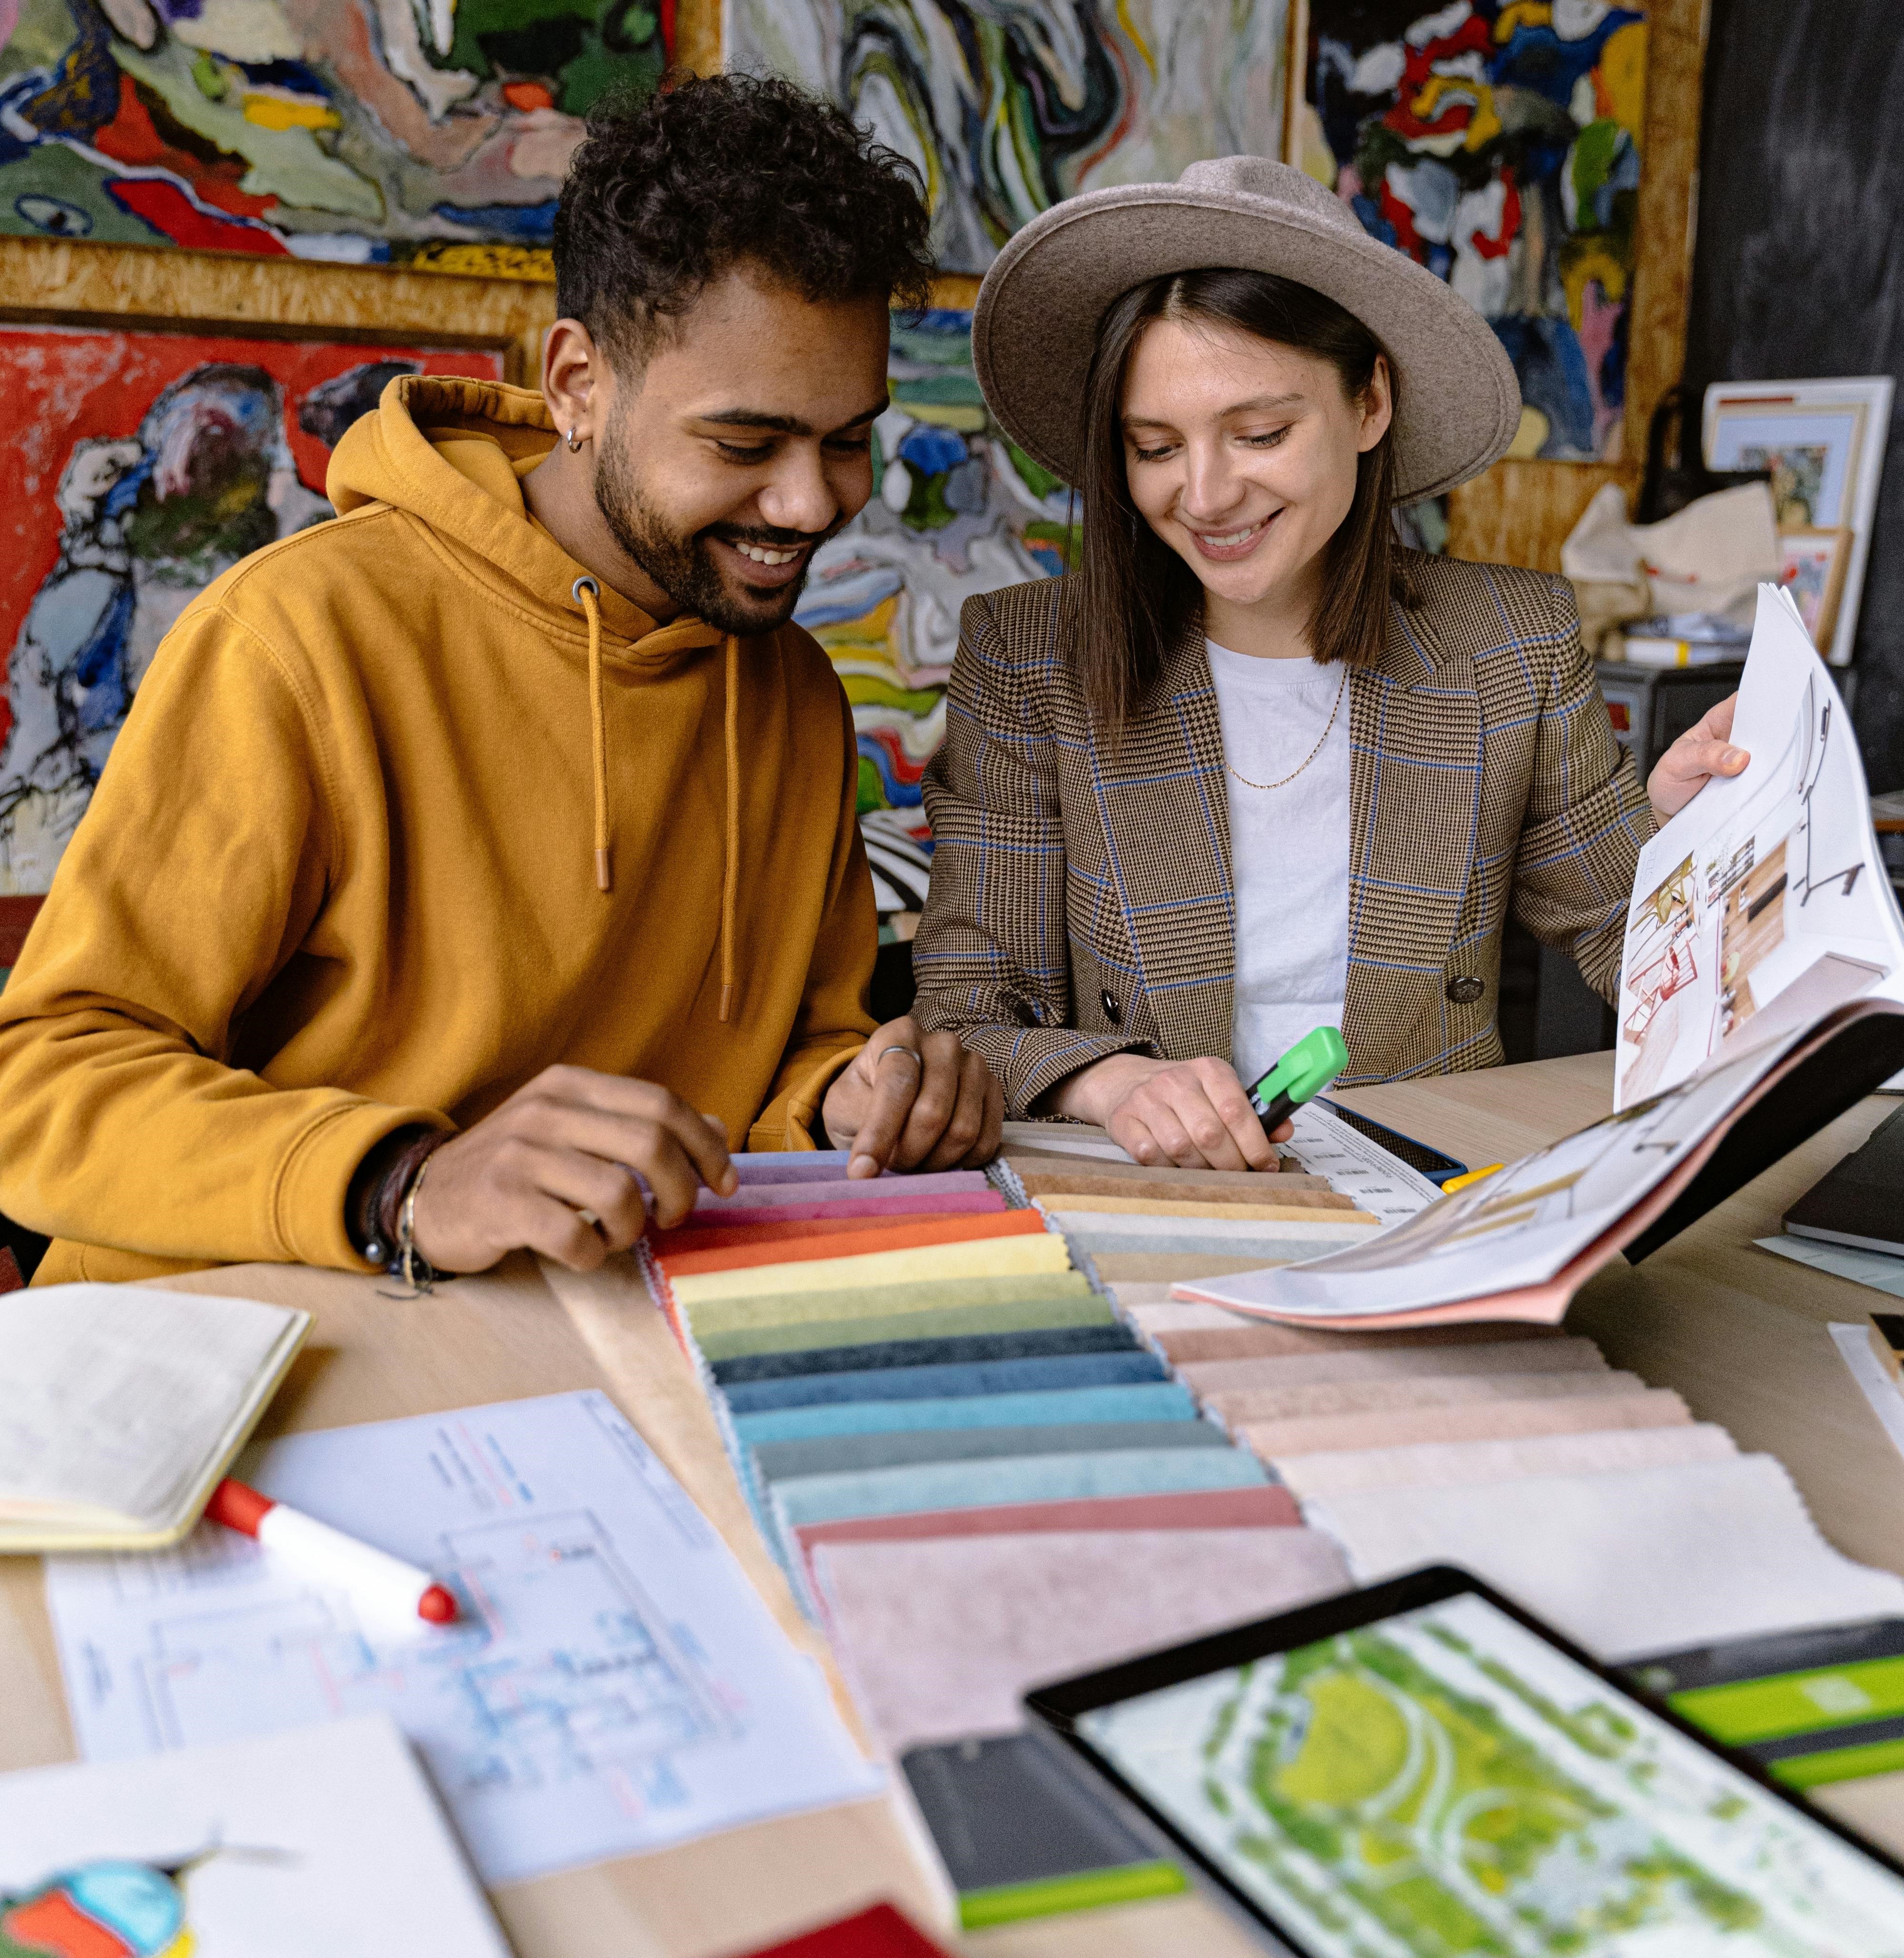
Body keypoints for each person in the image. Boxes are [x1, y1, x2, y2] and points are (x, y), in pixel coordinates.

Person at [0, 74, 1002, 1289]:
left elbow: (789, 1049)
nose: (808, 504)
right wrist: (402, 1184)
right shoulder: (295, 638)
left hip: (581, 1335)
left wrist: (848, 1093)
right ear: (577, 383)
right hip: (230, 1339)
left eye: (847, 440)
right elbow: (40, 1082)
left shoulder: (788, 686)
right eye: (744, 443)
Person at [912, 157, 1744, 1171]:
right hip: (1147, 1193)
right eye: (1155, 447)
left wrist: (1699, 841)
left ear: (1368, 405)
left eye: (1259, 433)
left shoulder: (1508, 643)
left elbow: (1641, 939)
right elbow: (966, 1013)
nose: (1205, 495)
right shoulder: (1031, 659)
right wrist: (1114, 1081)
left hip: (1435, 1188)